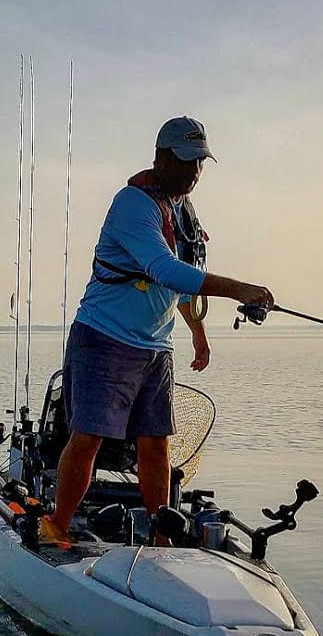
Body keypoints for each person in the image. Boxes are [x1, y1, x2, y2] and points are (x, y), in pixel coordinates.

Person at [41, 116, 274, 544]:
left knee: (156, 443)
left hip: (156, 346)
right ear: (161, 158)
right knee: (88, 437)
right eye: (185, 161)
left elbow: (180, 284)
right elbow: (164, 269)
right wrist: (240, 289)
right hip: (105, 338)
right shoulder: (133, 205)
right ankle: (58, 525)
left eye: (200, 162)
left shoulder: (182, 212)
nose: (194, 171)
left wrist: (197, 331)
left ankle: (160, 536)